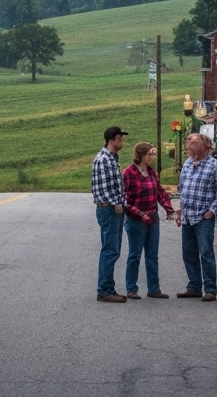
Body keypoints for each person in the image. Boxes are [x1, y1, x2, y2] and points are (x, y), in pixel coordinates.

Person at [176, 132, 217, 301]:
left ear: (205, 145)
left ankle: (210, 289)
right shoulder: (187, 164)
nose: (189, 142)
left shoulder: (214, 166)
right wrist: (179, 210)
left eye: (193, 140)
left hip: (203, 216)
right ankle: (194, 286)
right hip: (187, 216)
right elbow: (182, 188)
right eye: (188, 140)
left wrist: (212, 211)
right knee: (188, 253)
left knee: (206, 252)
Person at [123, 142, 175, 299]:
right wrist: (140, 214)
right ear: (140, 155)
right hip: (136, 220)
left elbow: (159, 192)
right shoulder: (128, 174)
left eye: (154, 154)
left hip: (152, 218)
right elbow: (124, 201)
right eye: (149, 154)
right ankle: (131, 288)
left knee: (152, 255)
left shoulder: (152, 173)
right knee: (135, 254)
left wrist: (168, 208)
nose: (152, 157)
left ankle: (154, 288)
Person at [91, 126, 128, 303]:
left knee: (112, 250)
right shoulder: (103, 160)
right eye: (120, 138)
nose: (122, 141)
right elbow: (103, 189)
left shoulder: (112, 159)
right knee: (110, 250)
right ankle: (105, 290)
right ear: (112, 140)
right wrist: (117, 204)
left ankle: (108, 288)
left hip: (113, 210)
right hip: (109, 210)